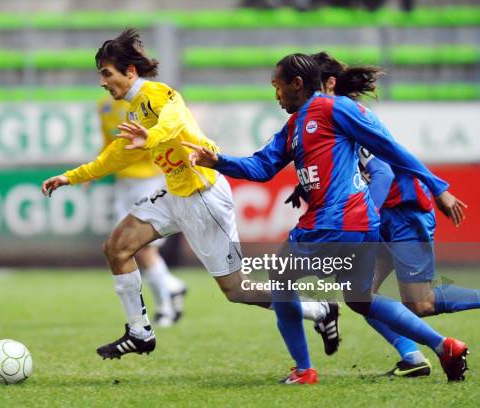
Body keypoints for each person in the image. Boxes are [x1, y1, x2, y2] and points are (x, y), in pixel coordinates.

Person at [42, 29, 338, 359]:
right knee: (117, 248)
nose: (102, 82)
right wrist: (70, 176)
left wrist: (151, 138)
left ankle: (320, 310)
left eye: (106, 73)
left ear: (130, 71)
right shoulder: (136, 111)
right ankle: (139, 332)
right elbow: (114, 155)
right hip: (175, 194)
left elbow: (173, 121)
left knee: (237, 290)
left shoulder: (160, 95)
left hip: (204, 195)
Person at [184, 53, 469, 384]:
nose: (275, 95)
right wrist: (217, 160)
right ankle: (443, 345)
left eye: (278, 87)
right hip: (362, 226)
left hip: (331, 223)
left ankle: (304, 370)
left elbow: (390, 149)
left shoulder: (335, 108)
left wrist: (438, 188)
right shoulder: (293, 126)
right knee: (362, 300)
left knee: (280, 282)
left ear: (298, 84)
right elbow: (261, 167)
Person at [298, 51, 479, 378]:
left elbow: (383, 172)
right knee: (360, 293)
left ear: (328, 84)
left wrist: (370, 214)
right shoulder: (330, 118)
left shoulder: (347, 115)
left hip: (403, 212)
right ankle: (411, 357)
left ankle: (423, 349)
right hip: (382, 216)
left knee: (420, 304)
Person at [97, 95, 187, 327]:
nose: (105, 82)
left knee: (144, 250)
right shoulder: (104, 106)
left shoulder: (146, 103)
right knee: (125, 248)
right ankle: (172, 287)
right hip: (123, 185)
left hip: (149, 182)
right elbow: (108, 144)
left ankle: (165, 308)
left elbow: (164, 139)